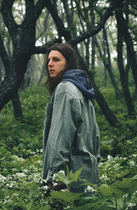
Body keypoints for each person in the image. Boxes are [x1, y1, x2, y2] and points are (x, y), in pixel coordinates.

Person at [42, 43, 100, 193]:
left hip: (69, 182)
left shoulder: (65, 89)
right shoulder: (82, 90)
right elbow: (96, 138)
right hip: (88, 178)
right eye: (48, 60)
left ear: (68, 63)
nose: (49, 64)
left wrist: (55, 177)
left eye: (56, 60)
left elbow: (60, 138)